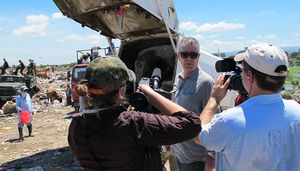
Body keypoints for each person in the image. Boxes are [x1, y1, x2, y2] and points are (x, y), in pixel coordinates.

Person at [68, 56, 202, 171]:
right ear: (121, 90)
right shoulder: (132, 122)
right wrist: (151, 93)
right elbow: (192, 123)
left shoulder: (77, 125)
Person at [196, 42, 300, 171]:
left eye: (243, 70)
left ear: (249, 76)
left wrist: (214, 99)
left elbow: (198, 135)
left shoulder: (229, 121)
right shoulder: (297, 111)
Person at [170, 36, 216, 171]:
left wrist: (211, 156)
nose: (189, 58)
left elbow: (213, 119)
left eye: (193, 55)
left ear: (198, 56)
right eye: (185, 54)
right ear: (179, 56)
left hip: (195, 158)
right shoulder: (178, 79)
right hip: (177, 152)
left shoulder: (206, 82)